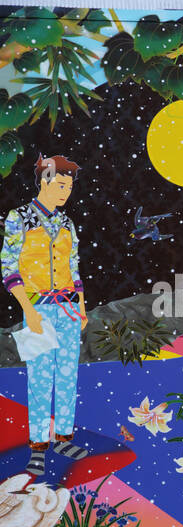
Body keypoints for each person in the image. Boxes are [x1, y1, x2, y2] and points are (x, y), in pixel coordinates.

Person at [2, 154, 90, 479]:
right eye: (60, 184)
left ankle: (64, 438)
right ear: (44, 181)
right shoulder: (20, 218)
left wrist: (81, 304)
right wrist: (28, 310)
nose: (65, 191)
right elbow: (9, 267)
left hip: (68, 309)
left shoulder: (66, 223)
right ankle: (38, 445)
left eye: (69, 186)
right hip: (37, 307)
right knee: (40, 379)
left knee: (67, 377)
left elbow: (75, 265)